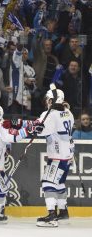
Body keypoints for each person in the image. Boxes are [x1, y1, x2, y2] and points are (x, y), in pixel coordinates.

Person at [35, 89, 75, 227]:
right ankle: (63, 211)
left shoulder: (50, 115)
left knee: (48, 183)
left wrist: (36, 126)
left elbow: (39, 131)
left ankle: (52, 216)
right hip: (67, 155)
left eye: (48, 99)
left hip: (58, 157)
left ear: (52, 100)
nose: (47, 101)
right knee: (59, 183)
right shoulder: (69, 113)